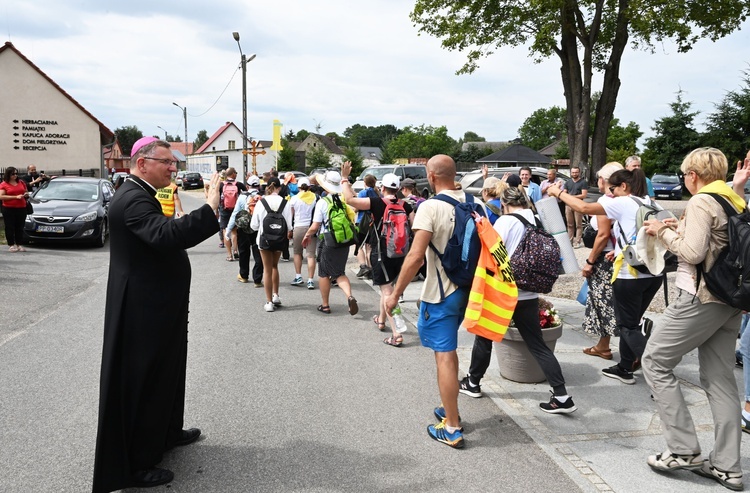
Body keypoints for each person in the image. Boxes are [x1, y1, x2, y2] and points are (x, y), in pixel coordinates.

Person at [92, 137, 221, 492]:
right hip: (142, 311)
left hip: (157, 305)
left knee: (167, 370)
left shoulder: (139, 191)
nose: (172, 168)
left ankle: (165, 432)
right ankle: (138, 464)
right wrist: (209, 208)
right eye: (166, 162)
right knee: (145, 381)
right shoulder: (133, 198)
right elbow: (166, 235)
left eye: (174, 163)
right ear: (141, 163)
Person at [640, 147, 747, 490]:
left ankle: (684, 449)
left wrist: (662, 230)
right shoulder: (732, 198)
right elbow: (716, 241)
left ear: (693, 175)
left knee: (655, 361)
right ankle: (728, 466)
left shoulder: (701, 201)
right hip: (729, 300)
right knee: (720, 380)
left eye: (686, 174)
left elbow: (692, 253)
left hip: (698, 298)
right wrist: (680, 226)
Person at [459, 184, 576, 414]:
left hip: (504, 291)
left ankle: (473, 382)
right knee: (537, 345)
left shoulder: (505, 221)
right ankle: (562, 395)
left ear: (504, 203)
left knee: (484, 336)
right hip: (529, 293)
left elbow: (492, 251)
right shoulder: (536, 218)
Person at [384, 154, 468, 448]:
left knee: (443, 355)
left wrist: (395, 293)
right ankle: (450, 407)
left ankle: (452, 427)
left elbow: (416, 255)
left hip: (440, 292)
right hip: (466, 290)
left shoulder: (429, 207)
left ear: (431, 177)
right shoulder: (473, 202)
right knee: (451, 351)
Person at [549, 168, 662, 385]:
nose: (611, 193)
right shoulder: (652, 203)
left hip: (630, 276)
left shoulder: (623, 201)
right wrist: (618, 250)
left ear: (623, 186)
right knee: (632, 321)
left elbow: (582, 206)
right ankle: (625, 367)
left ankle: (658, 371)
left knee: (627, 326)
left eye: (613, 189)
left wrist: (558, 193)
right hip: (654, 274)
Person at [342, 165, 414, 346]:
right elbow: (414, 229)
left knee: (387, 292)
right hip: (400, 253)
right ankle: (381, 320)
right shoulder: (406, 206)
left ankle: (397, 333)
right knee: (388, 288)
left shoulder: (376, 202)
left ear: (382, 188)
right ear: (398, 189)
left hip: (381, 253)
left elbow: (349, 199)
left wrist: (345, 179)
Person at [302, 169, 359, 316]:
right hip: (344, 240)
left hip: (328, 241)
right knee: (339, 272)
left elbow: (315, 226)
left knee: (323, 274)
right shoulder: (344, 199)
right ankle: (349, 296)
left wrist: (307, 235)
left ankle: (325, 305)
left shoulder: (323, 202)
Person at [581, 162, 622, 359]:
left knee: (604, 302)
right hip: (616, 256)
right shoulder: (625, 199)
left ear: (604, 180)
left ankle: (610, 347)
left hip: (604, 258)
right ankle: (602, 344)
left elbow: (603, 234)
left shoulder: (607, 201)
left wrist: (589, 261)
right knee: (608, 302)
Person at [250, 177, 293, 312]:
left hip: (264, 239)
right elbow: (289, 225)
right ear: (279, 188)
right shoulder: (285, 203)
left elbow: (254, 225)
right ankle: (276, 295)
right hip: (280, 239)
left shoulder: (261, 202)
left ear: (267, 187)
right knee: (275, 266)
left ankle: (268, 302)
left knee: (267, 269)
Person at [226, 176, 263, 286]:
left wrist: (228, 230)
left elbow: (235, 213)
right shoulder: (262, 197)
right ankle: (257, 279)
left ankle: (243, 275)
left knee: (243, 251)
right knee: (258, 253)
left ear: (247, 186)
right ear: (259, 186)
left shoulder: (242, 197)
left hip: (244, 227)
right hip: (258, 227)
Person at [289, 177, 318, 289]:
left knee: (297, 253)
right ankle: (310, 280)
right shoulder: (315, 198)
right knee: (311, 255)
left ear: (298, 187)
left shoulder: (294, 199)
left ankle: (298, 276)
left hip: (298, 227)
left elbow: (291, 216)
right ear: (310, 187)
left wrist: (290, 229)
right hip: (311, 227)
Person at [0, 166, 31, 252]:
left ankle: (19, 244)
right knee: (10, 227)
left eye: (16, 174)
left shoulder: (21, 182)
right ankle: (11, 244)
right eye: (13, 174)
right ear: (8, 175)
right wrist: (15, 197)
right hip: (8, 208)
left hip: (21, 208)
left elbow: (25, 191)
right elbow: (1, 196)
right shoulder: (4, 184)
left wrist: (26, 194)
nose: (15, 175)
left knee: (20, 227)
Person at [219, 168, 246, 261]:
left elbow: (218, 198)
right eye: (236, 173)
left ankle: (229, 255)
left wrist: (216, 211)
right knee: (234, 231)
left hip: (224, 210)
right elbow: (246, 194)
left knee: (226, 231)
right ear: (233, 174)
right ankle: (235, 251)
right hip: (235, 209)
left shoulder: (221, 185)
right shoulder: (238, 184)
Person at [354, 174, 378, 280]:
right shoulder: (377, 193)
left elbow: (357, 207)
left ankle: (363, 266)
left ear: (365, 182)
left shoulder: (363, 193)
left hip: (362, 221)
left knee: (358, 245)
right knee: (369, 247)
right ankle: (371, 269)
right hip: (372, 222)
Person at [562, 165, 588, 248]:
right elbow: (564, 192)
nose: (574, 174)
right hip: (568, 205)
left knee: (578, 224)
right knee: (570, 224)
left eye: (576, 172)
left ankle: (577, 241)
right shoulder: (567, 182)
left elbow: (584, 195)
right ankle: (570, 241)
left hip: (578, 205)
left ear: (579, 173)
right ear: (570, 173)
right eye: (573, 172)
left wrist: (571, 197)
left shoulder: (583, 182)